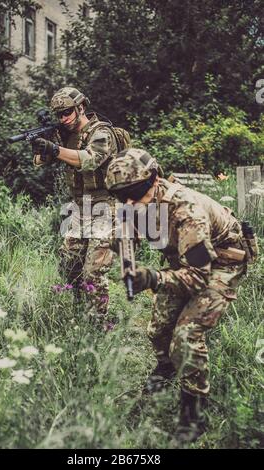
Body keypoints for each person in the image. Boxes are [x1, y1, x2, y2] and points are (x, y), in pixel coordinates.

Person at [105, 148, 249, 443]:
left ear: (154, 180)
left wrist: (152, 277)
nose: (130, 201)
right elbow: (125, 233)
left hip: (221, 263)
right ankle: (166, 367)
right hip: (183, 263)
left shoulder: (186, 210)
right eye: (122, 195)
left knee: (186, 335)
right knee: (158, 329)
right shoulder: (136, 203)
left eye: (135, 191)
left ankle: (193, 413)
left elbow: (197, 278)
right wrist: (124, 251)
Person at [32, 87, 120, 321]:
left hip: (106, 206)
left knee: (93, 271)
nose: (64, 118)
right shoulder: (64, 134)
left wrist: (55, 148)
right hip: (80, 208)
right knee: (69, 266)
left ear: (81, 107)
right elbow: (39, 161)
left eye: (68, 112)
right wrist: (43, 145)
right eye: (59, 114)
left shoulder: (101, 132)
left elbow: (90, 161)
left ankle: (99, 324)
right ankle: (82, 311)